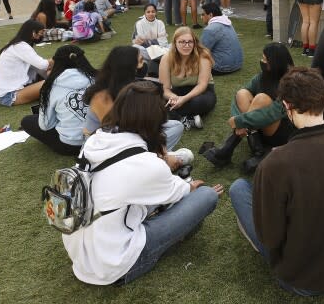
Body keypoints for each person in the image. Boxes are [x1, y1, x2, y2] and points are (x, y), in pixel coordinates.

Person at [228, 67, 324, 296]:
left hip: (303, 279)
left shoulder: (274, 165)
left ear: (286, 107)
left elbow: (270, 237)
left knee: (239, 188)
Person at [62, 81, 223, 286]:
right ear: (156, 119)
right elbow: (181, 191)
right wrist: (192, 188)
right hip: (116, 266)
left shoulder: (95, 140)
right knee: (206, 196)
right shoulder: (146, 163)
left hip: (82, 258)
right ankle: (173, 239)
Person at [204, 42, 294, 171]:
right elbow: (238, 97)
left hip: (282, 131)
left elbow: (277, 111)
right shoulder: (262, 77)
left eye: (265, 59)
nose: (262, 61)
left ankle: (227, 149)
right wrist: (238, 120)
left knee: (261, 98)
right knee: (242, 94)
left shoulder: (291, 81)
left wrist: (241, 121)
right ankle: (258, 149)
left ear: (275, 62)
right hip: (259, 128)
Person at [83, 46, 184, 151]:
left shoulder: (128, 85)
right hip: (102, 142)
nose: (143, 65)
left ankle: (150, 154)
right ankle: (150, 155)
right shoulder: (101, 96)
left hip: (129, 132)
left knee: (176, 126)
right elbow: (112, 131)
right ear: (129, 67)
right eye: (140, 61)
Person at [21, 45, 96, 156]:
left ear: (57, 62)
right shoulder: (98, 78)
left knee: (27, 121)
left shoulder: (50, 86)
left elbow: (45, 126)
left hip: (70, 146)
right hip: (98, 141)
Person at [158, 26, 216, 129]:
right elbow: (165, 88)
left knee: (197, 103)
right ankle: (189, 119)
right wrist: (174, 98)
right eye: (182, 42)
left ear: (194, 43)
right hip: (177, 92)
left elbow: (202, 85)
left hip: (202, 92)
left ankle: (177, 117)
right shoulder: (166, 58)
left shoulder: (203, 56)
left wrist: (184, 99)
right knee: (157, 99)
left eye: (190, 42)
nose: (187, 45)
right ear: (175, 43)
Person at [0, 20, 52, 106]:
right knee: (51, 82)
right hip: (8, 96)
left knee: (52, 75)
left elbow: (40, 66)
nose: (42, 36)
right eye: (41, 33)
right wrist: (57, 58)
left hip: (7, 93)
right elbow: (43, 65)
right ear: (33, 32)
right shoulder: (21, 46)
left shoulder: (17, 45)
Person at [199, 3, 243, 75]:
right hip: (238, 64)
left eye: (203, 14)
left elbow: (200, 51)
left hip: (221, 67)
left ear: (210, 15)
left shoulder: (210, 29)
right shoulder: (228, 23)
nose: (201, 17)